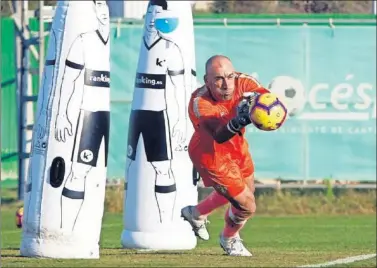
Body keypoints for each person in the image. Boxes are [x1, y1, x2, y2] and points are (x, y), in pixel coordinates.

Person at [181, 55, 270, 256]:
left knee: (245, 191)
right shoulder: (199, 102)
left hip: (237, 146)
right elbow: (219, 135)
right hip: (211, 154)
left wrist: (267, 109)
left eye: (230, 76)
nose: (226, 84)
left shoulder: (245, 82)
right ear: (207, 81)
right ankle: (229, 239)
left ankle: (196, 213)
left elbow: (267, 101)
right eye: (218, 79)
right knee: (247, 205)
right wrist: (240, 119)